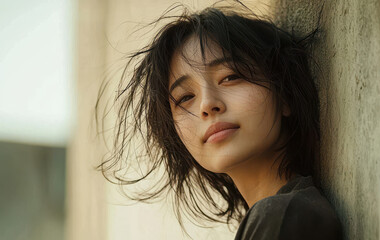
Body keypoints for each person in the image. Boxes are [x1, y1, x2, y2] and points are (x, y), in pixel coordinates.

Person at [97, 2, 342, 239]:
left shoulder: (284, 215)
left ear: (284, 94)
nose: (206, 105)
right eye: (185, 97)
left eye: (230, 77)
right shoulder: (277, 214)